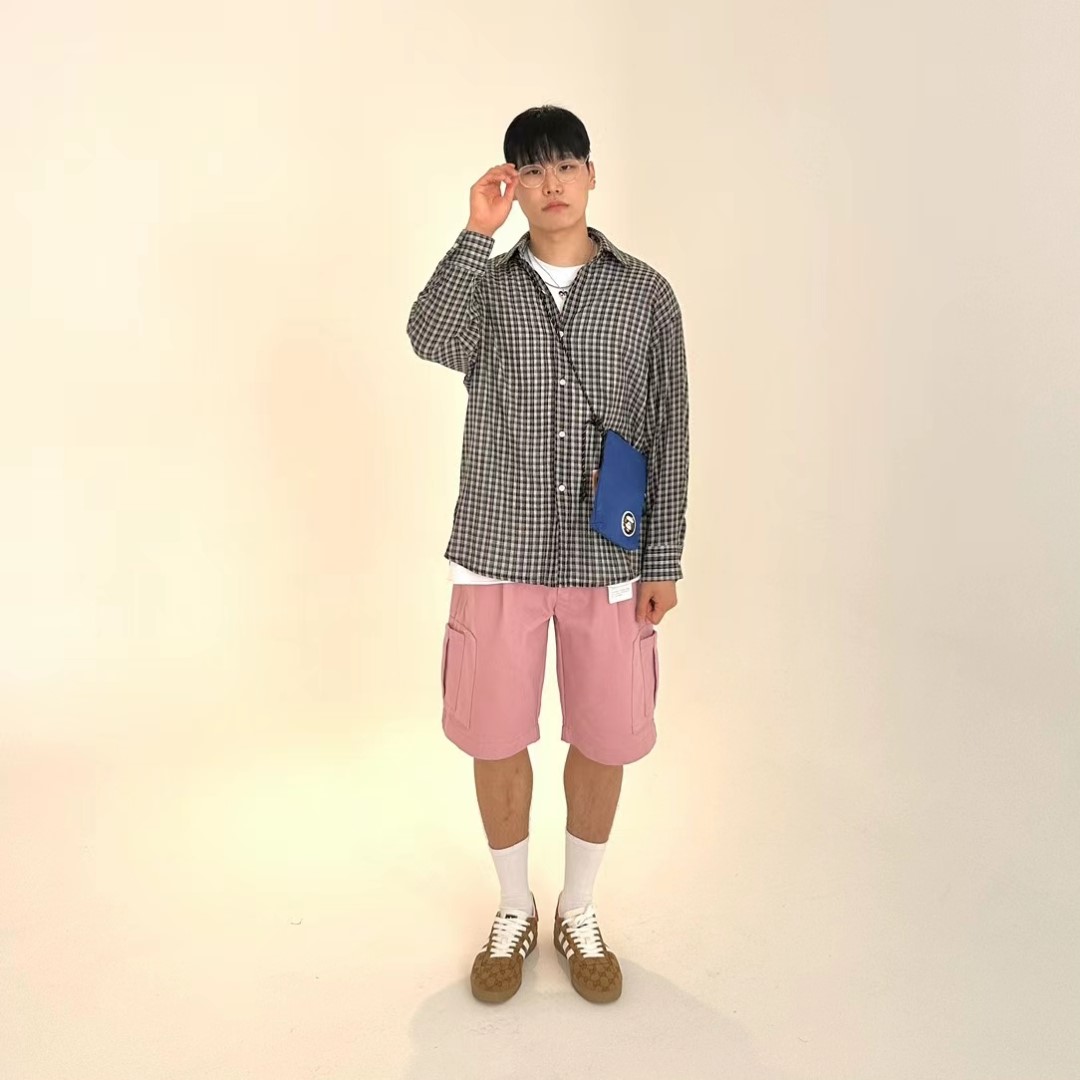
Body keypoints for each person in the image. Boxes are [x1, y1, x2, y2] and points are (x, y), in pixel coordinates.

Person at [406, 105, 689, 1005]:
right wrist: (473, 234)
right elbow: (427, 337)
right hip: (500, 547)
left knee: (606, 735)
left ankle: (580, 909)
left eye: (566, 165)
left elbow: (671, 425)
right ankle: (512, 908)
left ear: (592, 174)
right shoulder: (487, 288)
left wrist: (664, 556)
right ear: (513, 183)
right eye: (533, 170)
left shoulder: (645, 295)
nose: (552, 183)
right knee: (495, 734)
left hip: (611, 558)